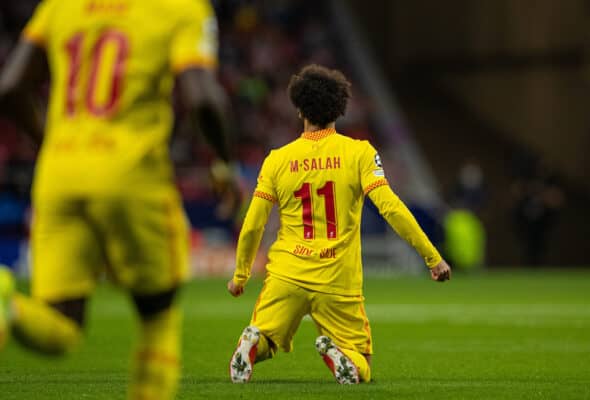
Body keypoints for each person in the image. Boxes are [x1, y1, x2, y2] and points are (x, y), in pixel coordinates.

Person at [0, 0, 236, 399]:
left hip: (59, 175)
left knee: (61, 326)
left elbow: (9, 88)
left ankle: (7, 310)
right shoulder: (180, 8)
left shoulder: (60, 6)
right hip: (132, 172)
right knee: (158, 316)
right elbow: (203, 100)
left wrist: (54, 145)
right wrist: (225, 165)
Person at [226, 64, 451, 384]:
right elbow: (391, 208)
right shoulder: (358, 153)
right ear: (341, 108)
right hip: (337, 279)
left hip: (287, 274)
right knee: (364, 363)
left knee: (266, 338)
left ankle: (252, 342)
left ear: (299, 107)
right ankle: (342, 354)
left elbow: (253, 223)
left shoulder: (277, 159)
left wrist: (240, 275)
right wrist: (433, 257)